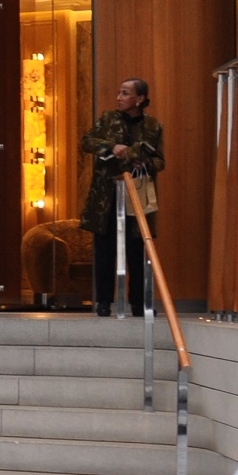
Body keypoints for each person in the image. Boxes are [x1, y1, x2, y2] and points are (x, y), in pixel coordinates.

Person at [80, 77, 164, 317]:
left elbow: (161, 161)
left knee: (138, 250)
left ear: (139, 99)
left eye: (125, 93)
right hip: (106, 196)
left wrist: (142, 159)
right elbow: (87, 141)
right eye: (118, 93)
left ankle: (139, 303)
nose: (119, 98)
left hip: (136, 195)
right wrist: (110, 147)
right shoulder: (107, 119)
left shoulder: (153, 126)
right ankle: (104, 302)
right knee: (105, 250)